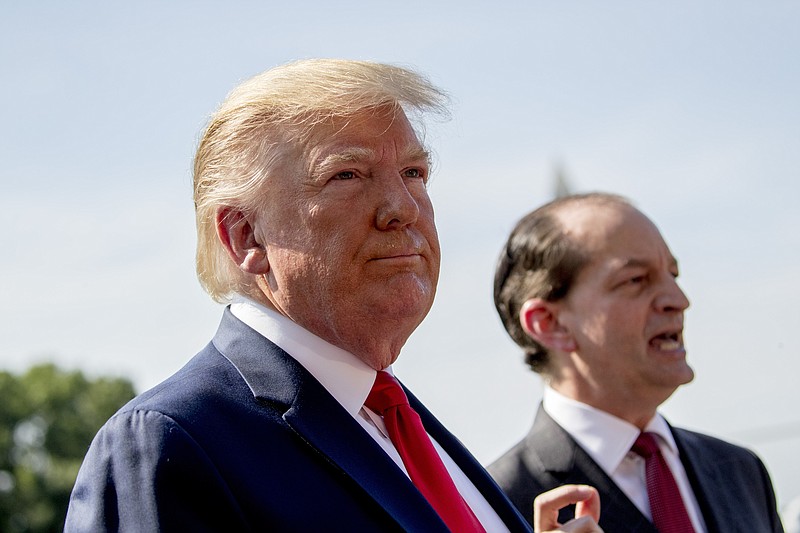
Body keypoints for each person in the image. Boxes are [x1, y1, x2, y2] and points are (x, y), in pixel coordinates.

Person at [64, 59, 601, 532]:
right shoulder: (169, 444)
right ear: (246, 235)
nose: (403, 207)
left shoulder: (398, 422)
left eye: (414, 172)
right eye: (346, 174)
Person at [487, 192, 785, 532]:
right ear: (549, 323)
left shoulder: (742, 472)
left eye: (673, 274)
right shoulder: (492, 506)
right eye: (636, 280)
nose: (678, 300)